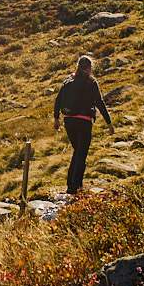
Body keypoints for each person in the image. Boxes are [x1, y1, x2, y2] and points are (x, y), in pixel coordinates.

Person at [53, 55, 114, 194]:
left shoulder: (68, 79)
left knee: (77, 151)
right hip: (84, 121)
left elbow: (58, 99)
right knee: (81, 153)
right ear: (89, 68)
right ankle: (75, 188)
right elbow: (99, 102)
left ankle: (71, 184)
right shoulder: (90, 82)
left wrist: (56, 118)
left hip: (68, 120)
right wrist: (109, 123)